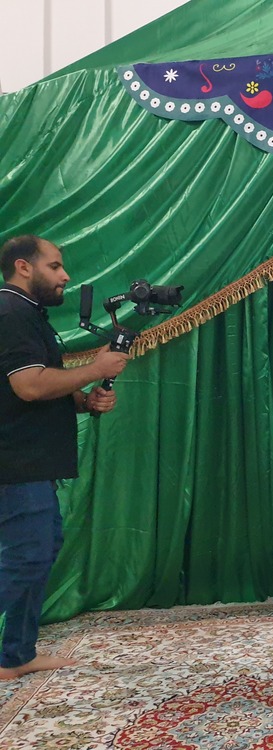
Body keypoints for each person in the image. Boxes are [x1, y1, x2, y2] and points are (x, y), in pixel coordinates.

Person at [0, 235, 128, 681]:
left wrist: (84, 400)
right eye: (55, 266)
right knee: (28, 556)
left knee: (39, 551)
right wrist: (96, 369)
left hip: (32, 462)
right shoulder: (11, 312)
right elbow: (28, 386)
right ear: (23, 267)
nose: (66, 275)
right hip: (17, 462)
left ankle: (15, 656)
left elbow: (41, 382)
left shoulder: (26, 313)